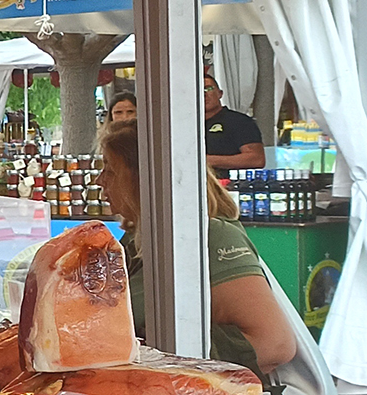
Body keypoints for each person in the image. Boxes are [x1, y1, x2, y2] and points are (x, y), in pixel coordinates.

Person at [97, 118, 297, 374]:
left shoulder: (213, 237)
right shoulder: (140, 238)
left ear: (143, 178)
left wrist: (162, 359)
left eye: (110, 169)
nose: (101, 180)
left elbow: (275, 345)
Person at [203, 72, 265, 174]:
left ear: (220, 93)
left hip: (229, 186)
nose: (204, 94)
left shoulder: (239, 121)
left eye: (208, 88)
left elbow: (256, 159)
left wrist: (207, 160)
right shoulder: (186, 125)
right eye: (199, 90)